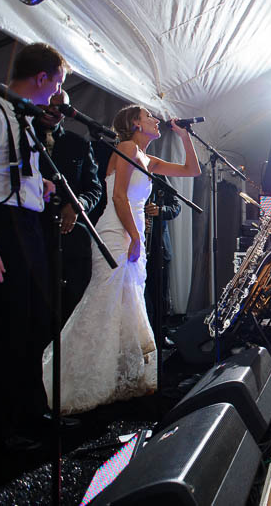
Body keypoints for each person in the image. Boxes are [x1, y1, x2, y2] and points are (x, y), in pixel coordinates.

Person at [41, 105, 201, 414]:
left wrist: (184, 136)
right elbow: (118, 197)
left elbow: (190, 170)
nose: (155, 120)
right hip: (117, 233)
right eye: (149, 116)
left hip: (132, 232)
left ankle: (113, 380)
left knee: (126, 308)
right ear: (134, 123)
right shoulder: (126, 148)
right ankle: (70, 381)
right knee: (103, 305)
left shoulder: (147, 158)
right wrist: (136, 236)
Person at [0, 43, 65, 451]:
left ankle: (27, 412)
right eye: (57, 83)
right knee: (1, 333)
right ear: (42, 78)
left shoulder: (22, 117)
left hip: (27, 224)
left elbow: (9, 173)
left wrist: (39, 184)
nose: (57, 92)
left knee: (35, 322)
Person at [35, 90, 103, 320]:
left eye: (60, 107)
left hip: (70, 238)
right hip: (33, 232)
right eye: (49, 104)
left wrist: (77, 205)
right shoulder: (21, 136)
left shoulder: (78, 144)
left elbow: (94, 189)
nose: (53, 110)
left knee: (70, 305)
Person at [144, 174, 181, 331]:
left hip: (159, 247)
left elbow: (176, 206)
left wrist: (160, 210)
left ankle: (161, 334)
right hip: (134, 246)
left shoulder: (158, 176)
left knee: (160, 295)